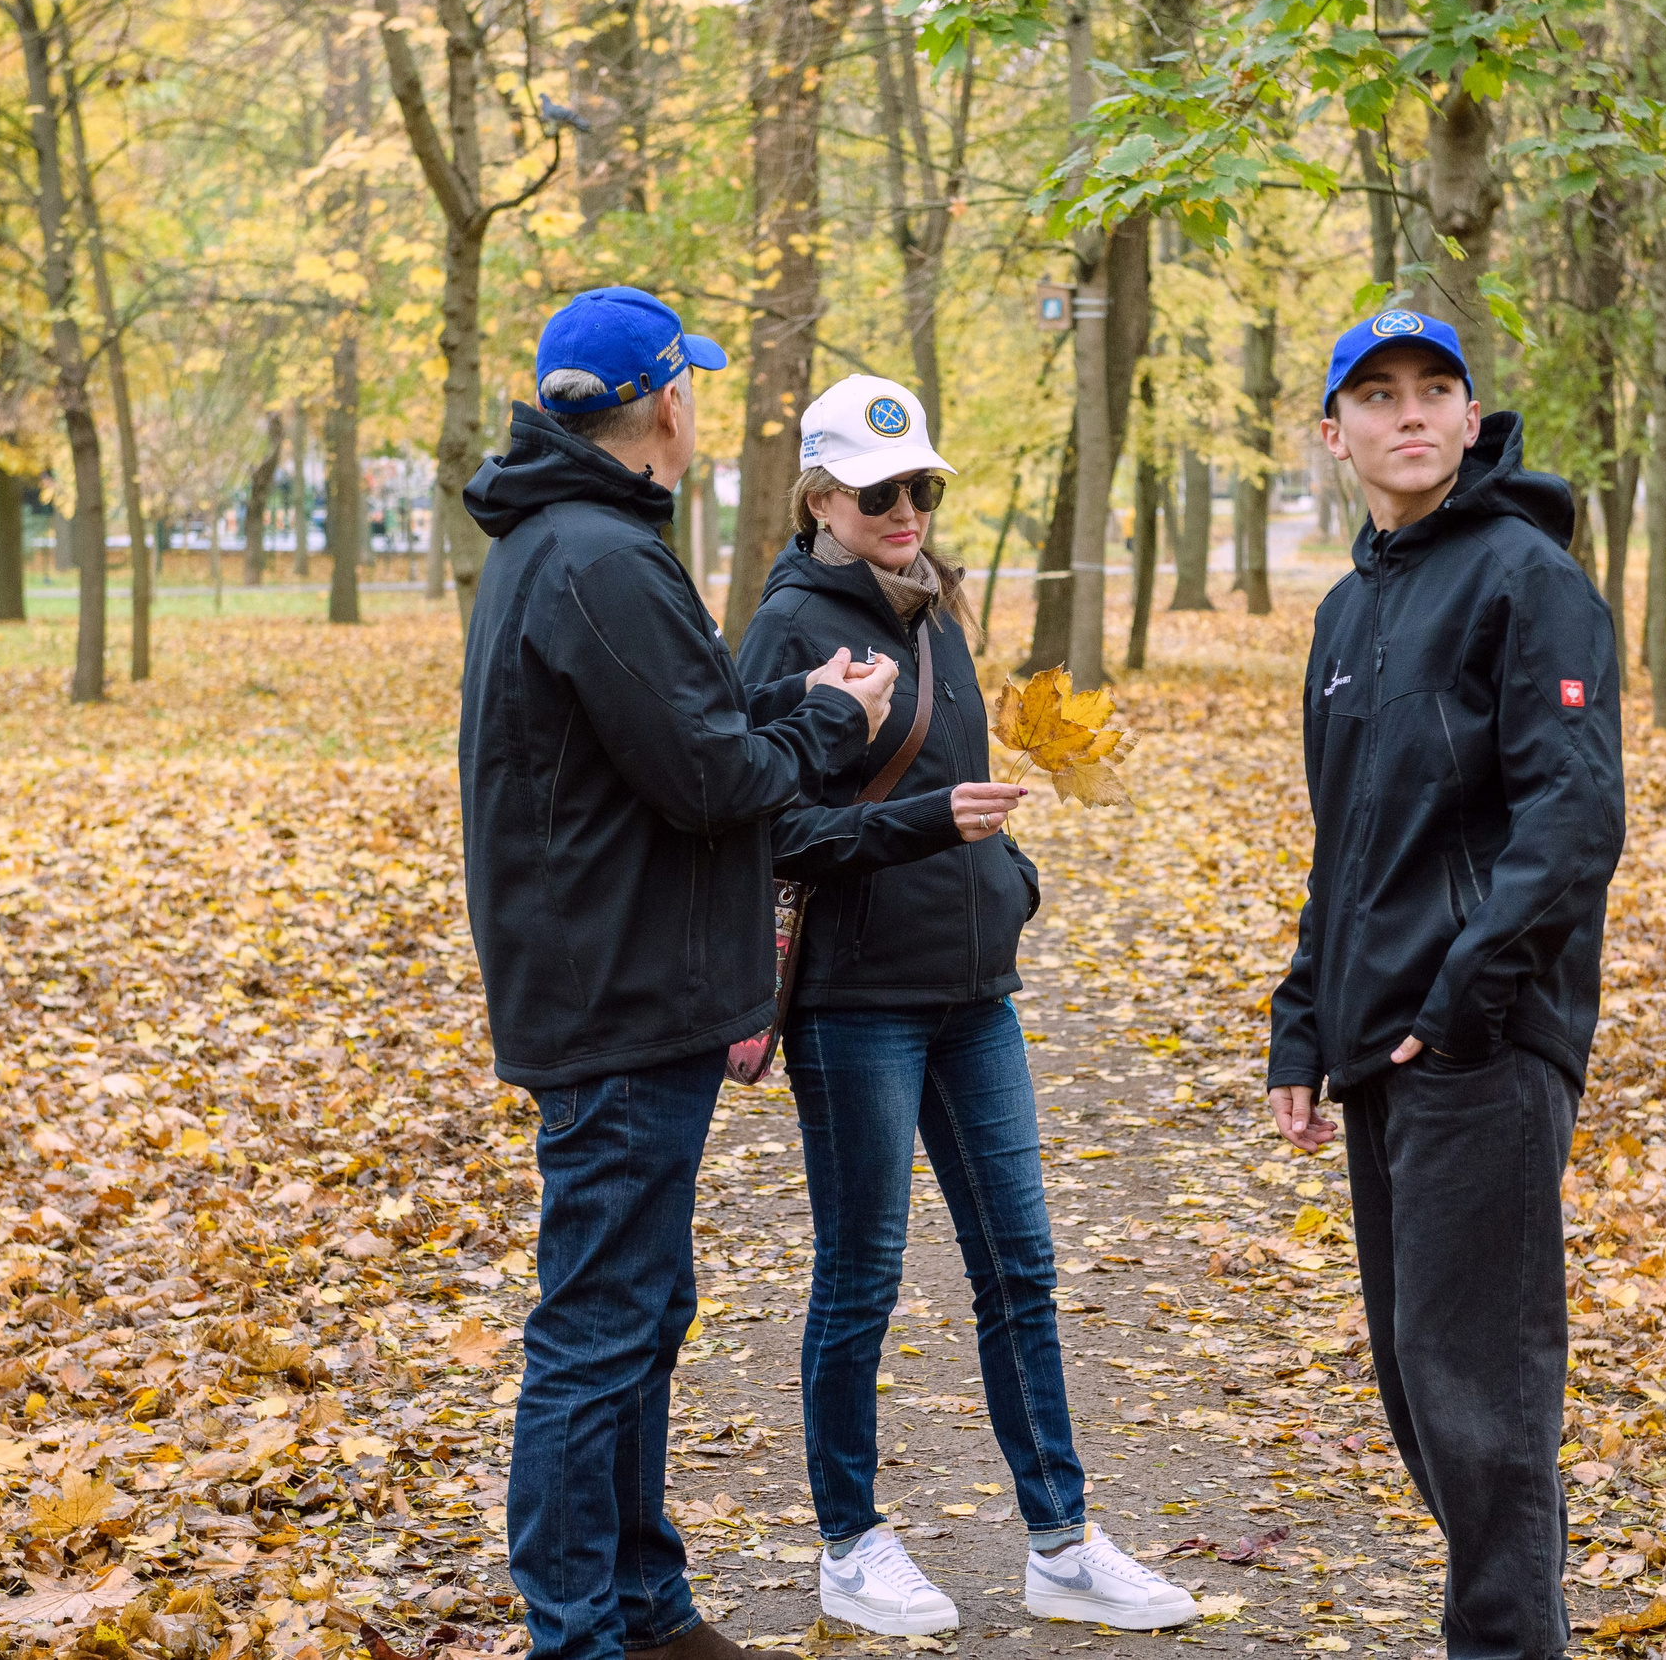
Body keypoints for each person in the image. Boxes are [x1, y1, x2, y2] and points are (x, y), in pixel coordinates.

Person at [460, 289, 899, 1660]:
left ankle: (644, 1606)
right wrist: (832, 725)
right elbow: (711, 780)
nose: (696, 404)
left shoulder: (574, 542)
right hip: (618, 996)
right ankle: (577, 1631)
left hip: (621, 981)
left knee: (644, 1308)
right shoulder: (599, 555)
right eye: (691, 384)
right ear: (667, 401)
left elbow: (672, 731)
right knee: (599, 1326)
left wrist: (792, 701)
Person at [734, 375, 1198, 1638]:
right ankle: (849, 1543)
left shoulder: (932, 608)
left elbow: (955, 781)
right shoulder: (786, 632)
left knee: (1021, 1269)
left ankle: (1061, 1542)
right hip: (857, 1002)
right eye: (875, 491)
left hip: (974, 994)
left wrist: (1008, 879)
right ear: (818, 499)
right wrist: (930, 828)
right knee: (862, 1276)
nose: (905, 508)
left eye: (922, 487)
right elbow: (772, 830)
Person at [1266, 310, 1625, 1660]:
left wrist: (1465, 999)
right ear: (1334, 433)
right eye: (1376, 394)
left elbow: (1572, 819)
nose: (1407, 412)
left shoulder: (1528, 579)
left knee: (1480, 1394)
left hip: (1480, 1041)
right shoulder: (1348, 610)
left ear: (1471, 420)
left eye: (1434, 389)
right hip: (1381, 1042)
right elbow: (1347, 839)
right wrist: (1302, 1022)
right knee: (1423, 1386)